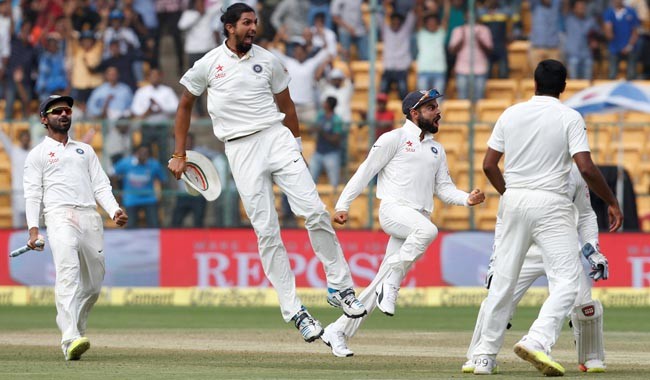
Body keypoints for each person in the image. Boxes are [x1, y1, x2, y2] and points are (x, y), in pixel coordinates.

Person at [168, 3, 367, 342]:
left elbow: (287, 107)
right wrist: (179, 153)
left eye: (255, 22)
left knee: (316, 211)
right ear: (229, 27)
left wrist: (298, 147)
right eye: (246, 23)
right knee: (267, 231)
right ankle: (296, 311)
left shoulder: (269, 60)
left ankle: (340, 286)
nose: (253, 27)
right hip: (239, 147)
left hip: (277, 139)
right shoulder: (208, 64)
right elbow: (185, 104)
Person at [472, 59, 622, 376]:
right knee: (568, 282)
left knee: (501, 285)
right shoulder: (569, 116)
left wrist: (510, 192)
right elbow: (585, 166)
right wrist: (612, 200)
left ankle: (484, 358)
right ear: (564, 86)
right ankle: (538, 340)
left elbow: (488, 165)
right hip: (550, 206)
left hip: (514, 201)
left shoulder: (510, 113)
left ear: (534, 83)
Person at [323, 89, 486, 357]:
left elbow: (444, 189)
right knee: (428, 231)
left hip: (416, 218)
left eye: (436, 106)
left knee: (381, 280)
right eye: (431, 107)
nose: (438, 112)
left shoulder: (436, 148)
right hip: (393, 211)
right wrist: (342, 205)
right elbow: (366, 171)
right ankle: (393, 281)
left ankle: (338, 330)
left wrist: (467, 198)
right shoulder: (393, 138)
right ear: (414, 113)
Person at [463, 164, 609, 374]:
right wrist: (495, 260)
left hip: (561, 249)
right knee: (498, 298)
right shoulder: (524, 164)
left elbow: (586, 214)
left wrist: (593, 250)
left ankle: (591, 357)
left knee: (585, 304)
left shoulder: (575, 171)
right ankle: (481, 355)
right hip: (525, 252)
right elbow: (504, 218)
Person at [23, 95, 129, 361]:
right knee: (68, 273)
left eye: (67, 110)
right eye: (57, 111)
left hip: (89, 217)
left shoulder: (85, 150)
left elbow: (101, 185)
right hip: (59, 216)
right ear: (44, 119)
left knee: (92, 286)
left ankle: (75, 330)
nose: (64, 114)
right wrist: (33, 229)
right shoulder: (37, 154)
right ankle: (69, 337)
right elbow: (33, 194)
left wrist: (114, 209)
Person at [113, 144, 166, 228]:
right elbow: (113, 175)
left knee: (154, 225)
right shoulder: (126, 163)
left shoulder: (154, 164)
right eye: (141, 153)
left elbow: (163, 180)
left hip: (149, 199)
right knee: (130, 227)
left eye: (146, 153)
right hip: (131, 199)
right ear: (136, 153)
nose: (143, 155)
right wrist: (118, 194)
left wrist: (160, 196)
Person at [0, 129, 30, 228]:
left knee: (33, 227)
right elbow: (4, 139)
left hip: (32, 195)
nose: (25, 140)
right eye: (24, 139)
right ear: (20, 139)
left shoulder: (34, 153)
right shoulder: (14, 152)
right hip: (17, 194)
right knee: (17, 226)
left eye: (27, 139)